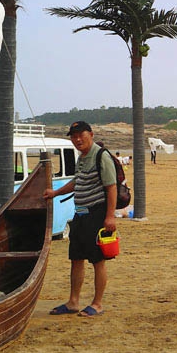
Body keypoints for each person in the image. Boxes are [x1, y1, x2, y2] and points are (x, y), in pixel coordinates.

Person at [42, 121, 117, 317]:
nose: (77, 140)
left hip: (97, 214)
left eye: (80, 135)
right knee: (76, 258)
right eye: (73, 137)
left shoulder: (102, 156)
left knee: (97, 260)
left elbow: (111, 187)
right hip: (80, 214)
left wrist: (110, 217)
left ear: (90, 134)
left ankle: (97, 304)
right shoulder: (82, 158)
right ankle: (73, 301)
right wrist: (56, 192)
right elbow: (78, 181)